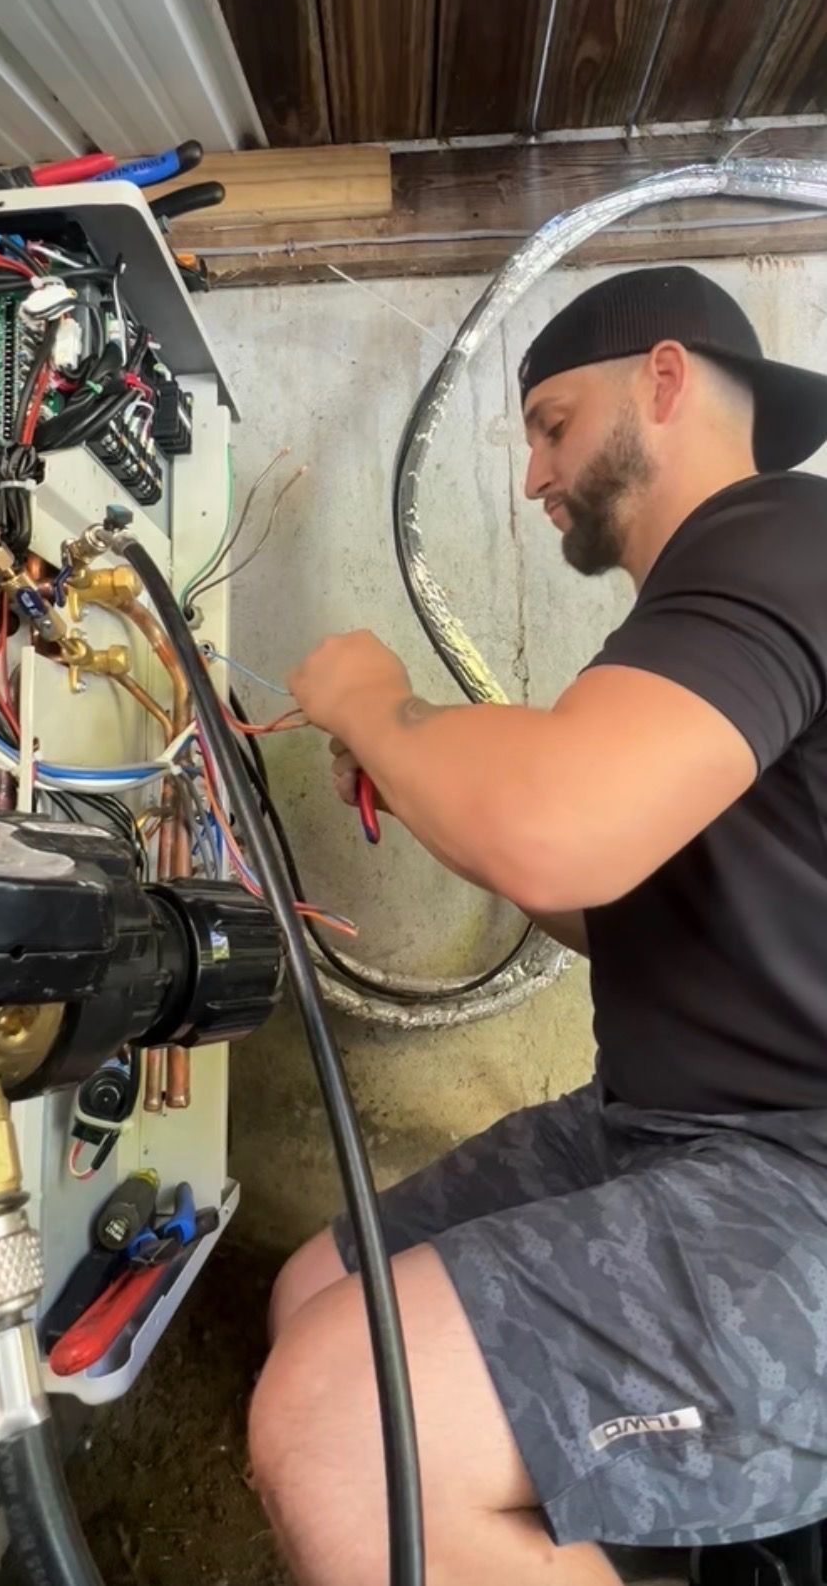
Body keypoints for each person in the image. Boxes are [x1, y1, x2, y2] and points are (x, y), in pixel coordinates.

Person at [247, 266, 827, 1586]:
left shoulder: (781, 535)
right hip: (664, 1124)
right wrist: (434, 783)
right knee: (316, 1293)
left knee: (348, 1424)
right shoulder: (698, 621)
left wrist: (376, 700)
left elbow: (560, 826)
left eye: (552, 425)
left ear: (664, 381)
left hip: (798, 1163)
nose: (532, 478)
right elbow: (618, 908)